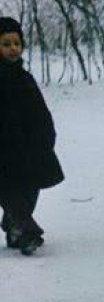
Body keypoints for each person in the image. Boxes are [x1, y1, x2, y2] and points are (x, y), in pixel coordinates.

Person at [0, 16, 64, 255]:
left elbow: (39, 109)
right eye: (6, 44)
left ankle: (14, 226)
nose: (13, 49)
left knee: (29, 190)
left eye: (17, 43)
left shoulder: (24, 77)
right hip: (4, 150)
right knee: (12, 193)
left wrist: (47, 134)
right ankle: (26, 232)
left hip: (28, 147)